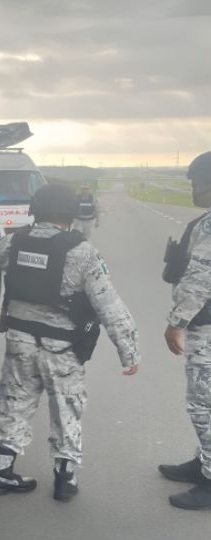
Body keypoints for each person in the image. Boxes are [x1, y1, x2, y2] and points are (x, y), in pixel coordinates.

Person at [0, 183, 140, 501]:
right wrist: (129, 352)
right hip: (62, 349)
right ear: (70, 214)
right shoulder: (82, 252)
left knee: (15, 405)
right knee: (67, 410)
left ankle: (1, 473)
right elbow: (109, 306)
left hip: (20, 343)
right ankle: (64, 480)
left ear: (35, 210)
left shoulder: (14, 242)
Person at [158, 151, 211, 510]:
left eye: (195, 180)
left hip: (206, 325)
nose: (192, 186)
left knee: (204, 404)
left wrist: (177, 323)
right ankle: (203, 463)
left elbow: (201, 276)